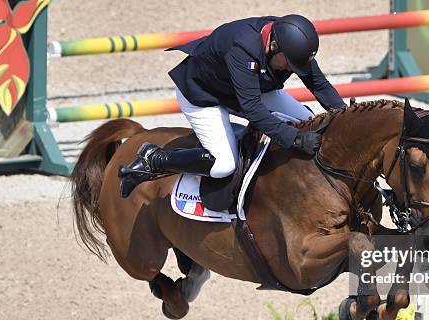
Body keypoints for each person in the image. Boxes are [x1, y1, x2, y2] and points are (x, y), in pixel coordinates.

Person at [119, 14, 346, 198]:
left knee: (308, 122)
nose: (291, 69)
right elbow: (253, 110)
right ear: (273, 45)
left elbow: (319, 84)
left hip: (248, 89)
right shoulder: (243, 47)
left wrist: (345, 116)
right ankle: (155, 159)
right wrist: (294, 138)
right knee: (223, 165)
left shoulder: (291, 42)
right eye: (288, 63)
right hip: (204, 94)